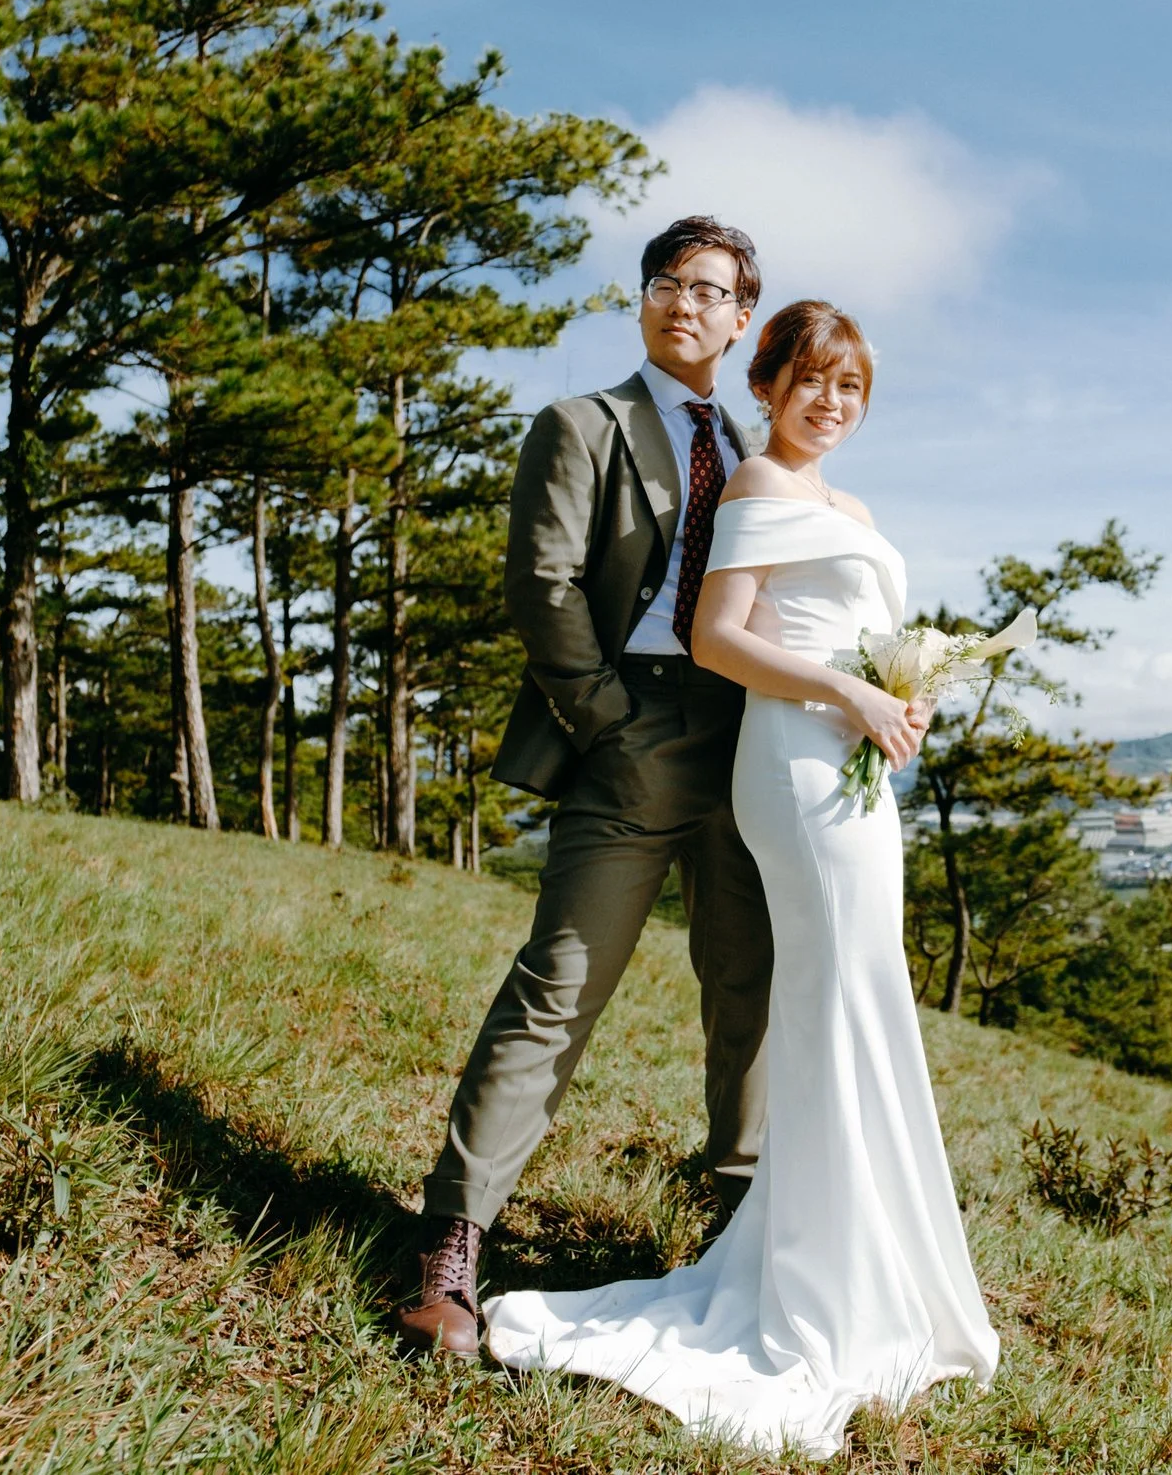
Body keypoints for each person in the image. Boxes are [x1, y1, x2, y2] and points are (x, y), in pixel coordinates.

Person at [482, 300, 1001, 1459]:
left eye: (850, 387)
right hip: (795, 768)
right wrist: (848, 692)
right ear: (765, 384)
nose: (831, 402)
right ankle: (821, 1284)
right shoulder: (759, 483)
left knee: (859, 1000)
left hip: (853, 772)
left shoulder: (852, 508)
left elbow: (855, 636)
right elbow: (719, 636)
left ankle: (861, 1262)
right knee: (833, 1001)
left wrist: (899, 695)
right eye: (811, 379)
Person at [398, 217, 775, 1357]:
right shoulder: (583, 424)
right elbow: (544, 582)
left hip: (748, 737)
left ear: (741, 317)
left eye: (707, 289)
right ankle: (452, 1241)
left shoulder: (757, 449)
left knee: (749, 991)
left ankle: (738, 1231)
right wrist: (607, 719)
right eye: (665, 282)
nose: (681, 303)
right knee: (557, 984)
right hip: (633, 730)